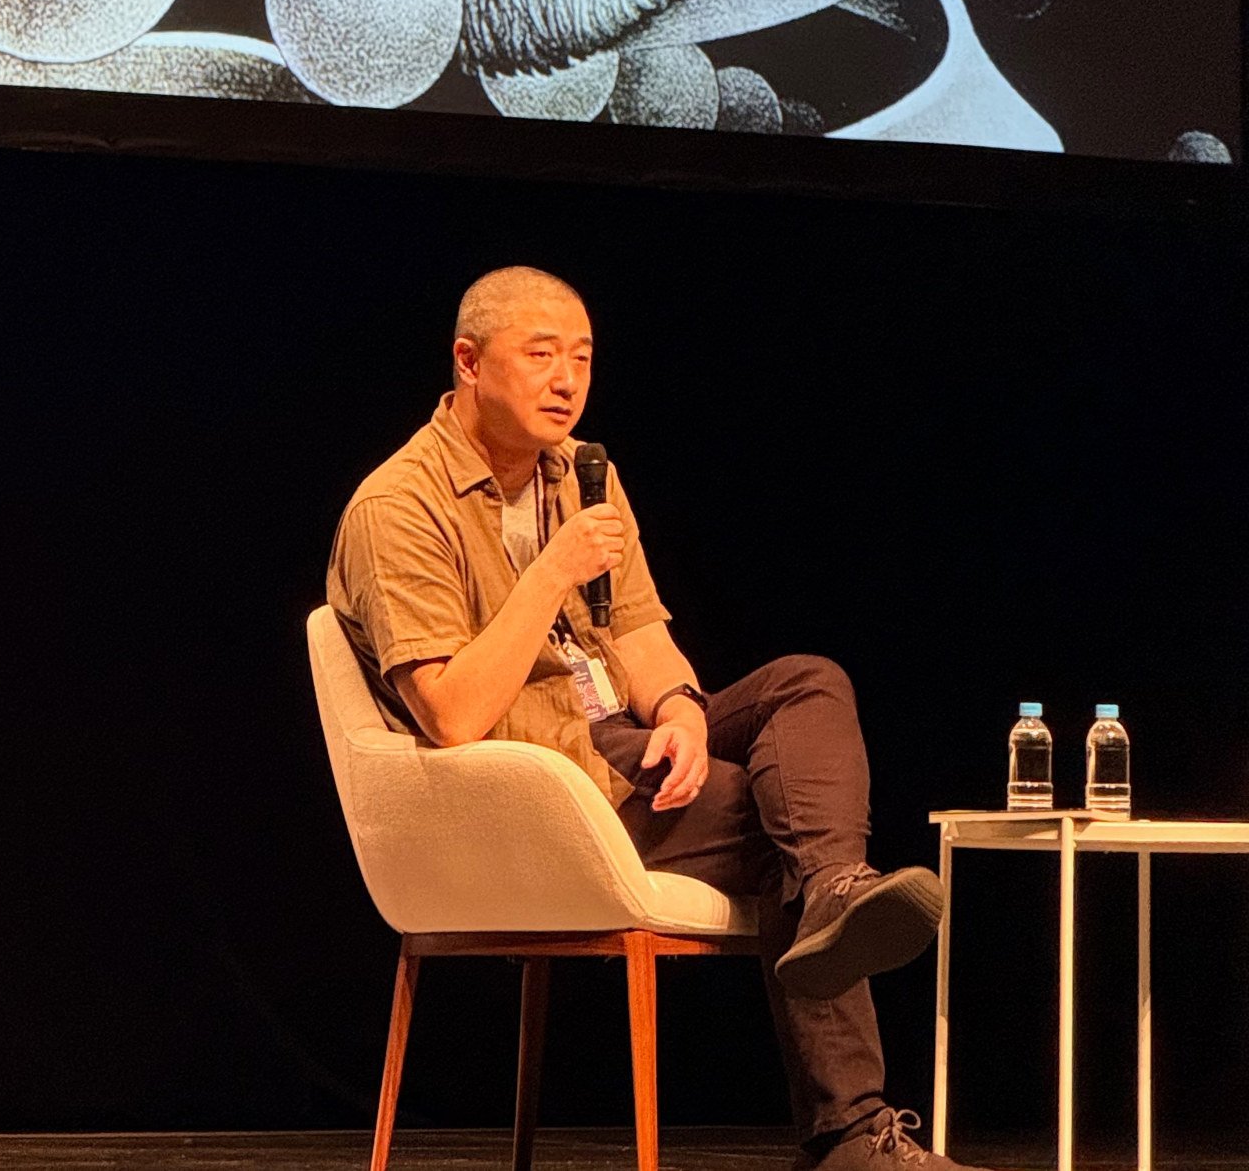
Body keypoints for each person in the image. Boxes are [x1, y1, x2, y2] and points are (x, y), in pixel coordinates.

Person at [328, 263, 975, 1170]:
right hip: (529, 782)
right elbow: (449, 713)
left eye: (583, 357)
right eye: (541, 354)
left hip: (614, 745)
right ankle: (850, 1132)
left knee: (807, 683)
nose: (567, 379)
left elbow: (639, 633)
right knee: (777, 815)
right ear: (468, 362)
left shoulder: (583, 474)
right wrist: (549, 569)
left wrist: (678, 708)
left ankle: (836, 891)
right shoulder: (398, 506)